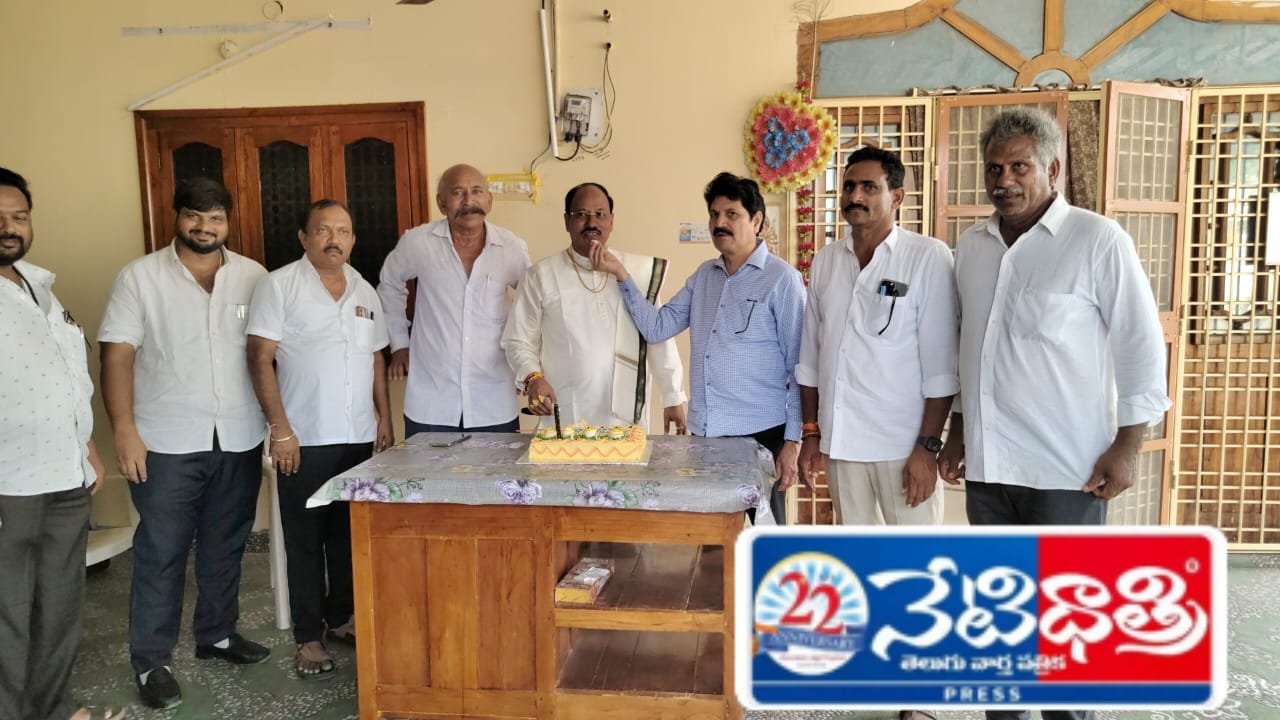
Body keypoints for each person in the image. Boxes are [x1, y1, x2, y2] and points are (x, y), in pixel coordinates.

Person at [937, 108, 1170, 720]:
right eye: (994, 168)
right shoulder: (973, 248)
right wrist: (956, 432)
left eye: (1020, 167)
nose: (1004, 180)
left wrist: (1128, 445)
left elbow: (1141, 346)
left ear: (1053, 169)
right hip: (990, 471)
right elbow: (969, 347)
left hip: (1068, 471)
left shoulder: (1098, 241)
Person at [100, 177, 270, 710]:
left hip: (238, 434)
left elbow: (268, 353)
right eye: (195, 215)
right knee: (162, 551)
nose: (205, 226)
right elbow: (117, 356)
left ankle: (217, 635)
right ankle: (152, 662)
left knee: (226, 543)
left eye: (216, 217)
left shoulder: (254, 277)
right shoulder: (140, 277)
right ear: (176, 217)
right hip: (165, 440)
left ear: (228, 222)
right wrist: (124, 431)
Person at [591, 172, 805, 523]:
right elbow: (657, 327)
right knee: (713, 537)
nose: (720, 223)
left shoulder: (782, 280)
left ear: (756, 221)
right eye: (714, 214)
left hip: (762, 435)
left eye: (731, 214)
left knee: (763, 537)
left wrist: (794, 442)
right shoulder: (705, 275)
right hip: (707, 434)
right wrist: (621, 275)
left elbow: (799, 367)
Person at [247, 200, 393, 679]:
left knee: (348, 538)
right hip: (303, 440)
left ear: (353, 240)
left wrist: (384, 420)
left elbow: (375, 359)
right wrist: (280, 430)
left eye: (343, 231)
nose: (335, 239)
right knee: (305, 542)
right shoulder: (279, 285)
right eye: (324, 230)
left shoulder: (364, 289)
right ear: (304, 237)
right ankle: (309, 637)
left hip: (358, 437)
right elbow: (259, 357)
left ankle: (342, 618)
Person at [0, 168, 125, 720]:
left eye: (19, 216)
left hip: (64, 474)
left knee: (58, 606)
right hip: (9, 483)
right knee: (8, 614)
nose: (9, 227)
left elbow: (67, 376)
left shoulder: (40, 287)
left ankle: (51, 710)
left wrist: (88, 446)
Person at [797, 146, 959, 529]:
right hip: (841, 443)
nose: (855, 196)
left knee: (915, 557)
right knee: (859, 555)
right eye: (849, 186)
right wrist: (811, 434)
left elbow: (941, 367)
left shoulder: (926, 257)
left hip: (902, 446)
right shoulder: (826, 261)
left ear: (897, 196)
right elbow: (811, 358)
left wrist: (927, 448)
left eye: (869, 187)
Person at [502, 182, 687, 431]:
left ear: (611, 220)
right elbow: (518, 340)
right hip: (566, 412)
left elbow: (658, 335)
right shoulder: (541, 275)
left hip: (625, 418)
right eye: (581, 214)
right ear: (567, 221)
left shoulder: (636, 273)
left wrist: (673, 395)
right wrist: (532, 378)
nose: (592, 223)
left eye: (600, 214)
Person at [378, 164, 531, 437]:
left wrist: (526, 368)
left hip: (493, 400)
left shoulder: (511, 248)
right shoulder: (419, 242)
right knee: (425, 468)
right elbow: (389, 284)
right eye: (458, 192)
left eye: (477, 191)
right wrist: (399, 343)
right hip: (431, 402)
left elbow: (532, 304)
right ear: (441, 203)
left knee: (497, 468)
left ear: (489, 200)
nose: (469, 200)